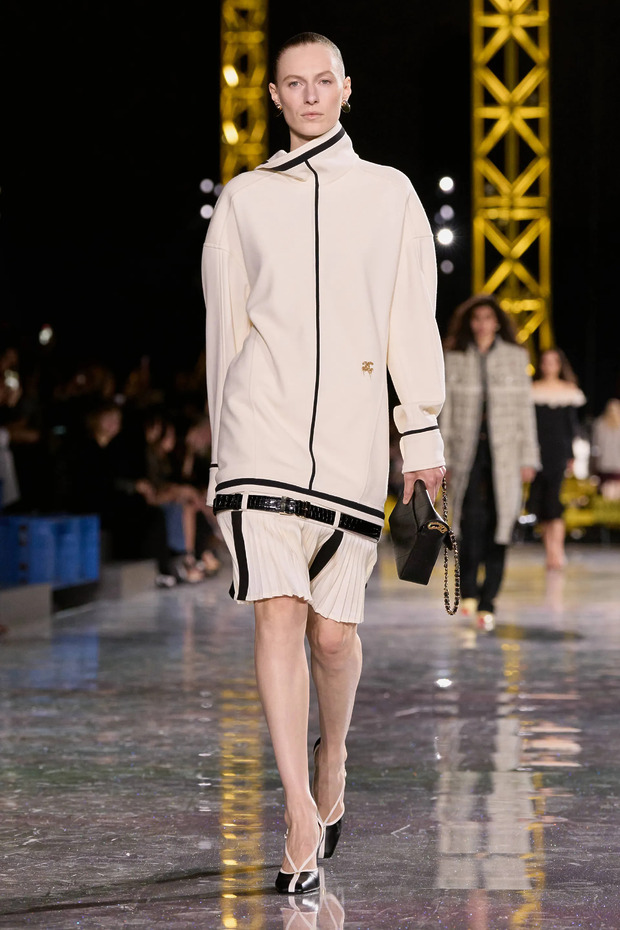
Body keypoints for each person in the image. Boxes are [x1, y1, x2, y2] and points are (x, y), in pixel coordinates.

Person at [202, 33, 446, 894]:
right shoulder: (244, 200)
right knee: (276, 616)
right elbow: (224, 332)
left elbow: (410, 316)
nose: (309, 95)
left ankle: (333, 753)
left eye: (323, 81)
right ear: (273, 96)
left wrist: (421, 435)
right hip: (258, 436)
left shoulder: (389, 194)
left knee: (333, 637)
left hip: (350, 441)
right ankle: (299, 813)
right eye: (293, 84)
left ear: (347, 89)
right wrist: (220, 458)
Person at [439, 293, 540, 630]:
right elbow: (445, 411)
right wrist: (443, 457)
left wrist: (529, 456)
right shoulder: (454, 357)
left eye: (488, 318)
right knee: (467, 521)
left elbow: (525, 410)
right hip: (465, 450)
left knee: (502, 522)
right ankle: (468, 590)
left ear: (497, 323)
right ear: (470, 323)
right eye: (476, 318)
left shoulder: (515, 357)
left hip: (506, 452)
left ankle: (489, 599)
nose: (482, 324)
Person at [527, 348, 586, 569]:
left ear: (560, 365)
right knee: (541, 501)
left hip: (558, 452)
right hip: (536, 452)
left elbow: (571, 426)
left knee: (554, 499)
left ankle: (557, 551)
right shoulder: (533, 390)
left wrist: (571, 455)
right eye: (545, 361)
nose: (549, 366)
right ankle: (550, 551)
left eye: (553, 361)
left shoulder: (568, 391)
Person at [591, 398, 620, 498]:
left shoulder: (599, 424)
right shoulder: (600, 424)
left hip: (604, 464)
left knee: (606, 494)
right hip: (614, 465)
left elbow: (595, 445)